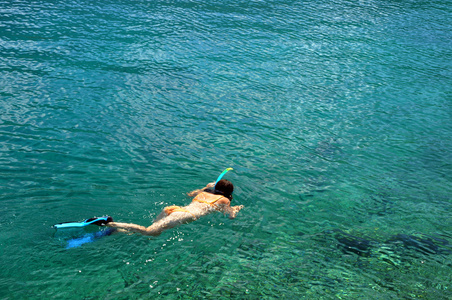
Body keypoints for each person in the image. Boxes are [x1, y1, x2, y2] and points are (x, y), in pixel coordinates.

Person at [107, 179, 244, 236]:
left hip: (173, 209)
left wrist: (207, 186)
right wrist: (236, 208)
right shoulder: (224, 199)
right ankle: (109, 223)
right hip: (184, 215)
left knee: (155, 231)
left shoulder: (204, 192)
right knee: (150, 232)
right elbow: (230, 215)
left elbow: (190, 194)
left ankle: (117, 230)